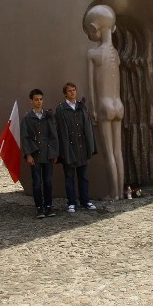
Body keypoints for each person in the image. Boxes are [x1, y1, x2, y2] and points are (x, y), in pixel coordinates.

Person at [85, 4, 125, 201]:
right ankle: (119, 191)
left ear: (94, 28)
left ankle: (113, 193)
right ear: (114, 28)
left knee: (109, 153)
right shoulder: (115, 54)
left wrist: (91, 108)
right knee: (118, 152)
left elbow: (91, 88)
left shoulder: (93, 54)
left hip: (103, 105)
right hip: (118, 105)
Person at [55, 82, 97, 213]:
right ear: (65, 93)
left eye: (74, 90)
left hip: (82, 147)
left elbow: (87, 127)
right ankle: (71, 202)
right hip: (69, 148)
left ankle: (85, 200)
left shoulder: (81, 107)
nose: (72, 92)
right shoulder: (61, 109)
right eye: (69, 91)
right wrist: (63, 151)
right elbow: (61, 131)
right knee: (69, 177)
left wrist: (89, 146)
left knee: (83, 176)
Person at [21, 89, 59, 218]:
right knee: (37, 182)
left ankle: (48, 206)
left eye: (41, 99)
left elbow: (53, 135)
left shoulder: (48, 116)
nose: (39, 102)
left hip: (47, 154)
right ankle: (39, 208)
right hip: (35, 155)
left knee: (48, 181)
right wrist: (29, 154)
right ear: (31, 101)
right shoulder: (27, 118)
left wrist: (54, 153)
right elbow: (25, 137)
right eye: (36, 99)